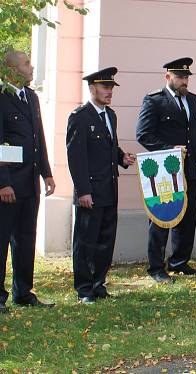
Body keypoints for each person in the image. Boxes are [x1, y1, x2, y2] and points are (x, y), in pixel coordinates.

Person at [136, 58, 196, 282]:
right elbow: (143, 134)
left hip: (189, 168)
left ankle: (180, 262)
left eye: (186, 77)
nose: (184, 81)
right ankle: (156, 268)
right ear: (167, 77)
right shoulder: (154, 101)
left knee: (188, 217)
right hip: (165, 170)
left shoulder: (193, 101)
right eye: (179, 77)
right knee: (162, 218)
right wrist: (170, 149)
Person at [67, 67, 135, 303]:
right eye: (105, 87)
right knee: (86, 241)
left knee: (105, 240)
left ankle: (98, 284)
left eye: (111, 88)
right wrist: (83, 190)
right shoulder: (80, 116)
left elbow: (109, 147)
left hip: (109, 187)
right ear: (92, 87)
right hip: (91, 191)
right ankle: (84, 289)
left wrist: (122, 158)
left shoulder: (110, 115)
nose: (109, 92)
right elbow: (76, 158)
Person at [0, 49, 56, 313]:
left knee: (26, 238)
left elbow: (38, 139)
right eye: (26, 64)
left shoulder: (31, 97)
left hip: (29, 183)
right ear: (12, 70)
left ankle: (23, 291)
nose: (32, 68)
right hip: (8, 186)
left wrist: (47, 172)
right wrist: (3, 182)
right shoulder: (2, 97)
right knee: (2, 240)